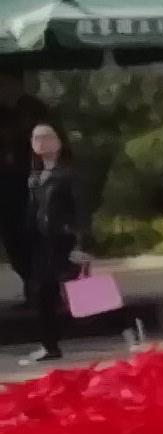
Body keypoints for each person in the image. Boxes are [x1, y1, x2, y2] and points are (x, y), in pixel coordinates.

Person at [19, 117, 91, 365]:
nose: (40, 142)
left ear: (59, 142)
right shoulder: (36, 176)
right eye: (36, 138)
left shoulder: (68, 174)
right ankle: (49, 346)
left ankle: (127, 328)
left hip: (64, 241)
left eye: (46, 136)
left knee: (82, 293)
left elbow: (81, 211)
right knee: (43, 294)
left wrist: (80, 245)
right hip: (43, 243)